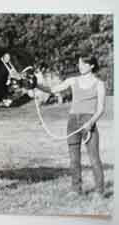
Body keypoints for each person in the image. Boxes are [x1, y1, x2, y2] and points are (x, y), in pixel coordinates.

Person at [35, 53, 106, 195]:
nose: (80, 66)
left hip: (88, 122)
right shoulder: (73, 81)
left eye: (84, 64)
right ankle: (76, 190)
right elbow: (52, 90)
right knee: (74, 159)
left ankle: (99, 191)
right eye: (79, 63)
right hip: (73, 122)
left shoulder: (99, 84)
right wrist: (35, 84)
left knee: (94, 159)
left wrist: (91, 123)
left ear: (91, 65)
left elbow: (101, 108)